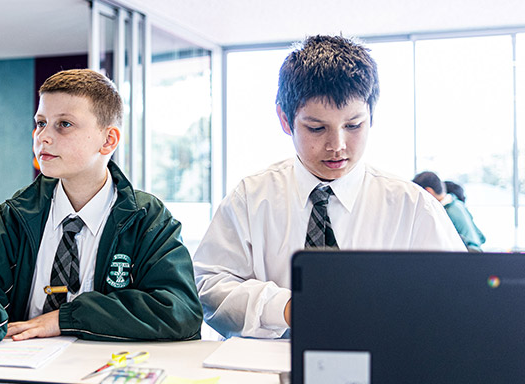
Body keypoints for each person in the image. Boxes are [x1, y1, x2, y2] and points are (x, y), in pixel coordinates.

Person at [193, 35, 466, 340]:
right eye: (316, 128)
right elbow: (209, 286)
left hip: (381, 368)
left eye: (353, 126)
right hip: (264, 374)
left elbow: (457, 299)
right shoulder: (251, 198)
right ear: (285, 120)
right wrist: (286, 308)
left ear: (371, 117)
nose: (337, 146)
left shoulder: (413, 207)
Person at [0, 69, 202, 355]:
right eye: (40, 123)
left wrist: (67, 319)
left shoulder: (147, 219)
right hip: (20, 373)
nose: (43, 137)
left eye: (64, 124)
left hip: (103, 376)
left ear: (108, 140)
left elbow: (179, 310)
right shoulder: (18, 214)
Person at [414, 172, 485, 252]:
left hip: (468, 256)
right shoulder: (457, 204)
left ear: (428, 191)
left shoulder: (447, 211)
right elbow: (480, 237)